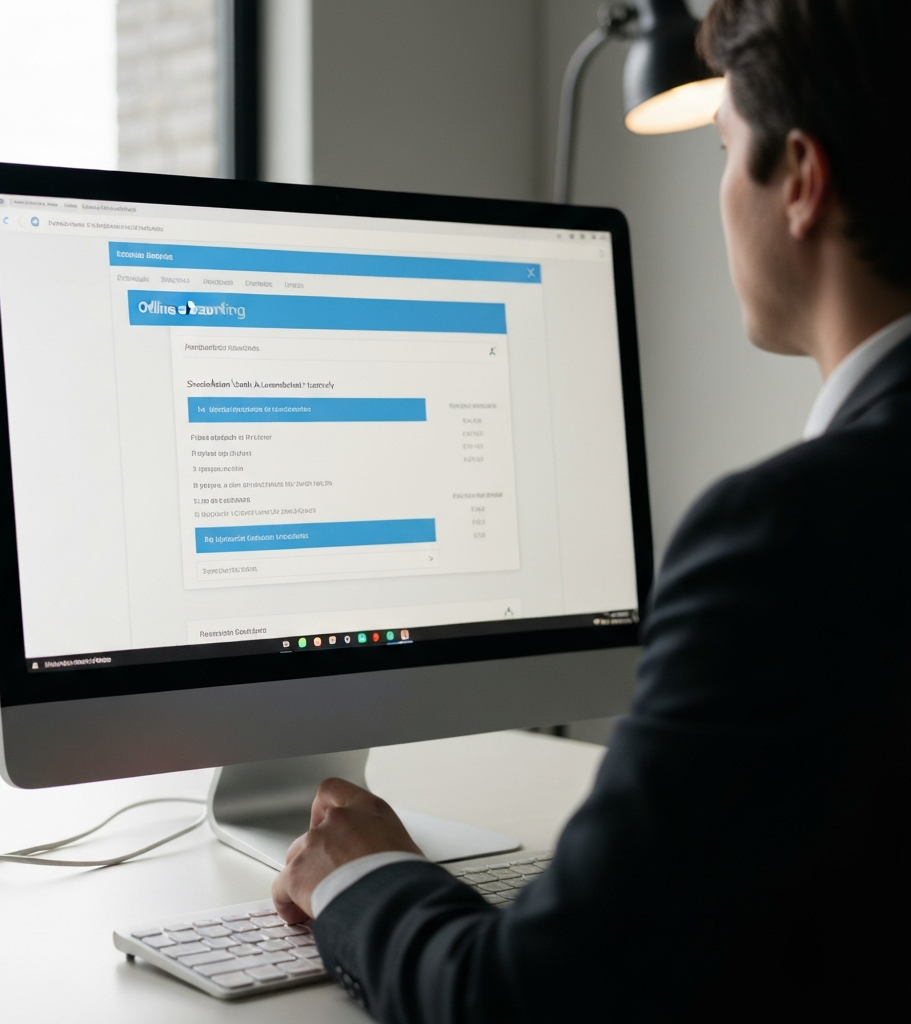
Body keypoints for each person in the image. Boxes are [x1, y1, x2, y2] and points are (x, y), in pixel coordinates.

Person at [272, 1, 911, 1019]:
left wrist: (360, 876)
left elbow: (524, 999)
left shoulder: (786, 536)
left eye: (721, 145)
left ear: (797, 178)